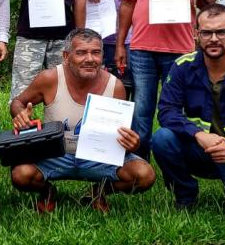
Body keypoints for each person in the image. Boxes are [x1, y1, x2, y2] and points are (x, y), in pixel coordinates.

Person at [150, 4, 225, 224]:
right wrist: (198, 134)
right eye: (206, 32)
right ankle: (186, 192)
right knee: (162, 138)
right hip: (199, 149)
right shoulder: (182, 66)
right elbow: (166, 111)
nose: (214, 38)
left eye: (221, 32)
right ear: (196, 34)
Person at [10, 28, 155, 213]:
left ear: (103, 56)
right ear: (66, 56)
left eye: (96, 52)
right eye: (81, 53)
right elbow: (17, 102)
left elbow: (121, 137)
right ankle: (47, 191)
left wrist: (132, 145)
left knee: (144, 175)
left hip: (97, 158)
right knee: (21, 175)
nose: (89, 59)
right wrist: (20, 114)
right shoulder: (50, 78)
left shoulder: (115, 86)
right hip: (55, 155)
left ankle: (98, 192)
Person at [116, 0, 216, 159]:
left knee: (179, 109)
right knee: (141, 109)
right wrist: (120, 44)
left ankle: (176, 163)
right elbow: (127, 3)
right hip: (141, 48)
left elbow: (210, 6)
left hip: (181, 50)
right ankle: (139, 165)